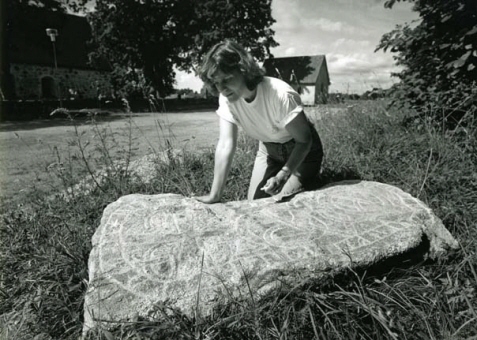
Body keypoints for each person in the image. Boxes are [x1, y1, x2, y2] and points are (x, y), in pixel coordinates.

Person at [196, 40, 323, 204]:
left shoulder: (280, 94)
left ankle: (312, 181)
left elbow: (304, 141)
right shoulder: (226, 98)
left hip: (303, 152)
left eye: (226, 79)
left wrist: (282, 176)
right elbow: (226, 145)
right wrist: (215, 195)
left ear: (244, 70)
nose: (221, 88)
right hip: (268, 152)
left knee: (279, 201)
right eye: (216, 82)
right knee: (254, 202)